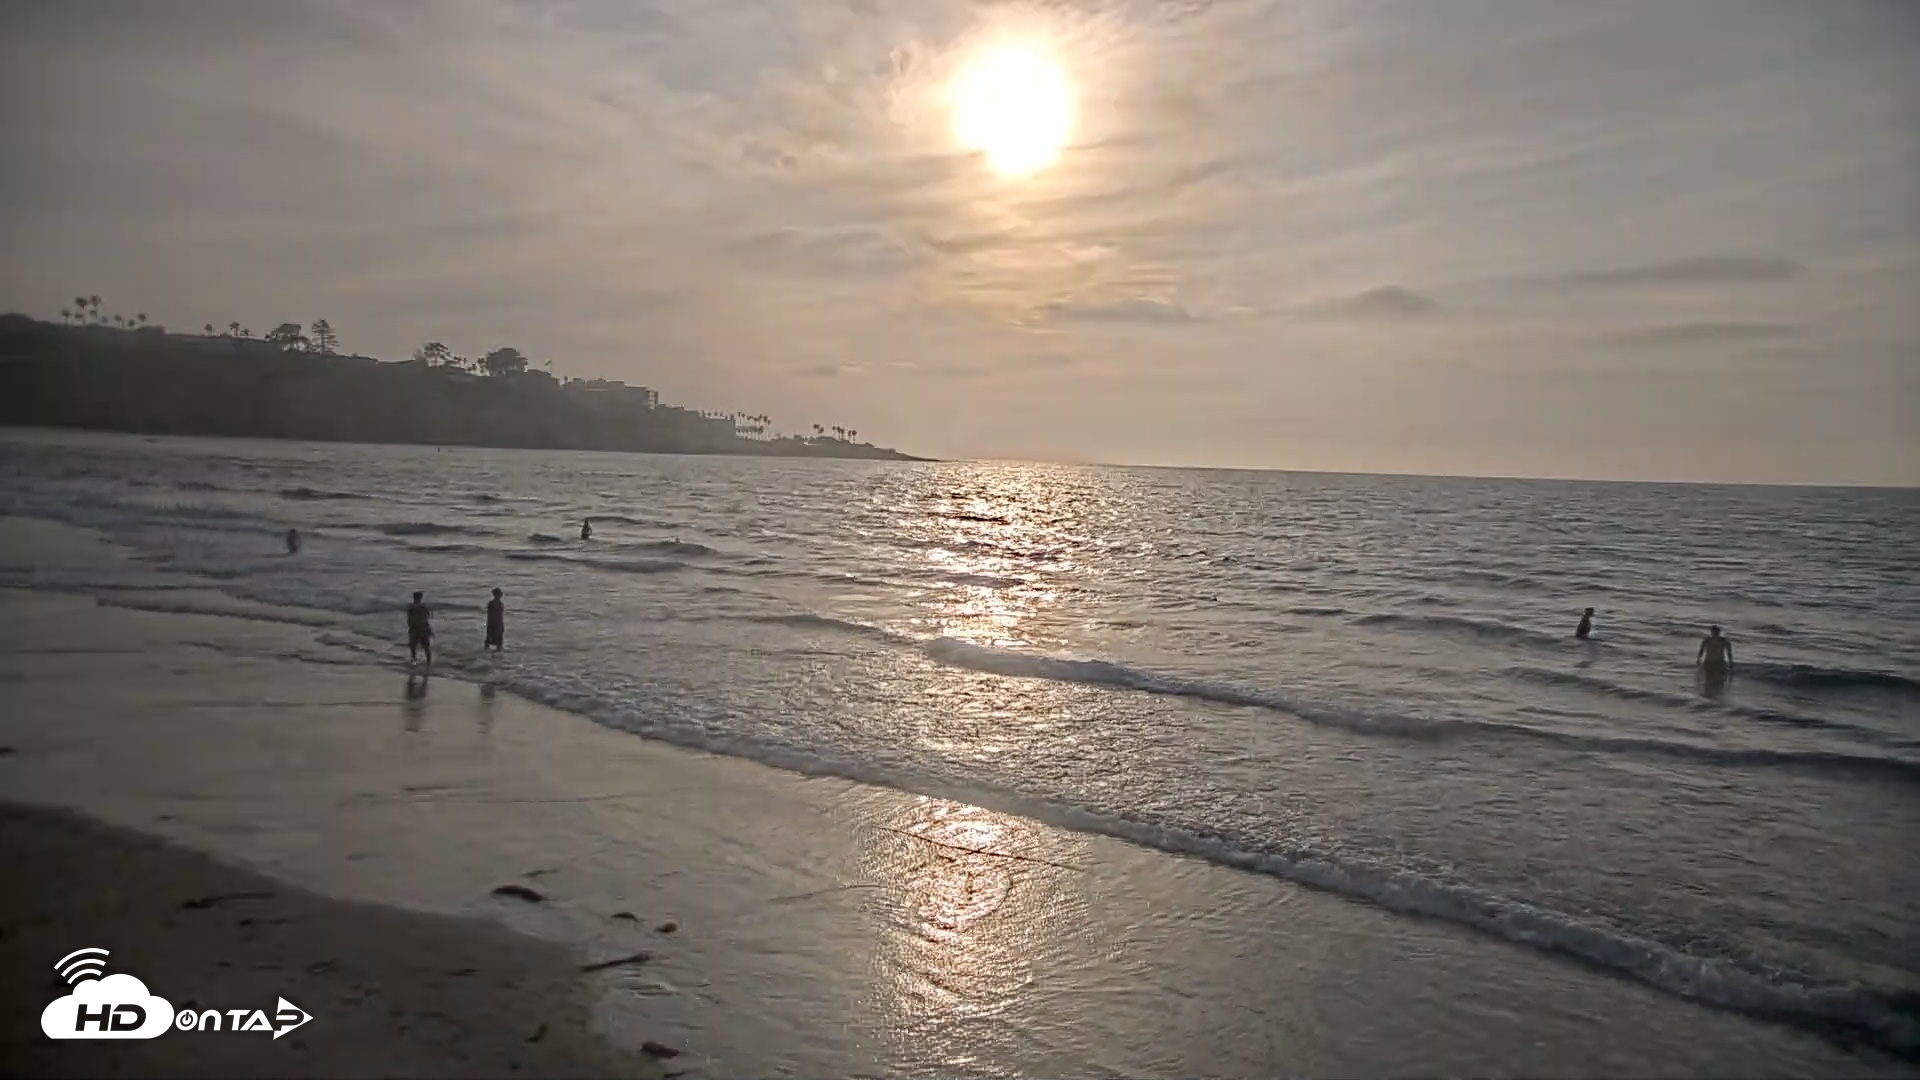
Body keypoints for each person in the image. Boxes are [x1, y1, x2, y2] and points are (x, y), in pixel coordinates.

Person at [406, 590, 433, 667]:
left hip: (417, 628)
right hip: (422, 628)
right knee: (424, 646)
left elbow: (409, 618)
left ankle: (415, 660)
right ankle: (428, 662)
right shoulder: (423, 607)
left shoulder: (412, 607)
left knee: (415, 646)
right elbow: (428, 616)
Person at [485, 588, 505, 652]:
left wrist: (502, 626)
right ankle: (486, 655)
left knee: (499, 643)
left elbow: (501, 616)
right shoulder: (491, 604)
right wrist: (489, 625)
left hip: (498, 625)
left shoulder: (501, 604)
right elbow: (489, 615)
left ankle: (498, 656)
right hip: (492, 624)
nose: (500, 595)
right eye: (499, 594)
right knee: (489, 641)